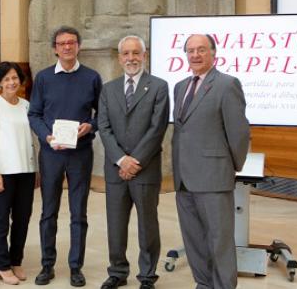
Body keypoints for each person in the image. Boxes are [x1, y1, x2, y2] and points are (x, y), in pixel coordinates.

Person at [172, 34, 250, 289]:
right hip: (184, 179)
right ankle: (204, 284)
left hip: (214, 177)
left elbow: (238, 134)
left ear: (213, 53)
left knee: (220, 242)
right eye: (190, 50)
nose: (195, 55)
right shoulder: (181, 86)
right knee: (194, 239)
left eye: (201, 50)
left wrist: (231, 167)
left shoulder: (227, 85)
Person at [28, 26, 102, 287]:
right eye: (62, 43)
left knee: (78, 212)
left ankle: (75, 267)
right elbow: (34, 114)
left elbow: (101, 114)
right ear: (55, 48)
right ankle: (47, 265)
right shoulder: (44, 78)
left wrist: (90, 126)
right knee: (49, 211)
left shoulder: (92, 77)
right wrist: (47, 136)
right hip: (51, 154)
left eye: (72, 42)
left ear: (79, 46)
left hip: (80, 154)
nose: (67, 47)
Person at [97, 36, 169, 289]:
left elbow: (156, 128)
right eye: (126, 54)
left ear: (145, 55)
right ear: (119, 58)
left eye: (136, 53)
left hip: (145, 169)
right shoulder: (108, 89)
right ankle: (117, 272)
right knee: (115, 224)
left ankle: (147, 276)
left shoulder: (159, 87)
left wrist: (134, 161)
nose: (131, 58)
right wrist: (120, 159)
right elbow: (103, 127)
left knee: (147, 225)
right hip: (116, 170)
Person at [0, 62, 37, 286]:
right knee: (1, 221)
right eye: (6, 79)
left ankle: (16, 260)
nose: (11, 82)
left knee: (22, 219)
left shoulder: (26, 105)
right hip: (1, 172)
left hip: (25, 171)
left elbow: (31, 140)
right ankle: (2, 265)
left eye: (14, 77)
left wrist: (36, 169)